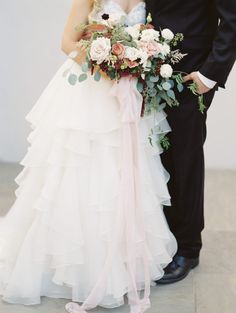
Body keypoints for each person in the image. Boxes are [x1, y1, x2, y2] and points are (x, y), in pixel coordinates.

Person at [0, 1, 177, 313]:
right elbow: (67, 41)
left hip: (126, 93)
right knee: (83, 172)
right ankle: (77, 268)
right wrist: (108, 62)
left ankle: (120, 264)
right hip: (89, 89)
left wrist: (138, 60)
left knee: (123, 174)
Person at [145, 0, 236, 284]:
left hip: (192, 74)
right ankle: (160, 240)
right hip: (146, 69)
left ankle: (187, 247)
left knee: (184, 156)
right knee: (154, 157)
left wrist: (211, 74)